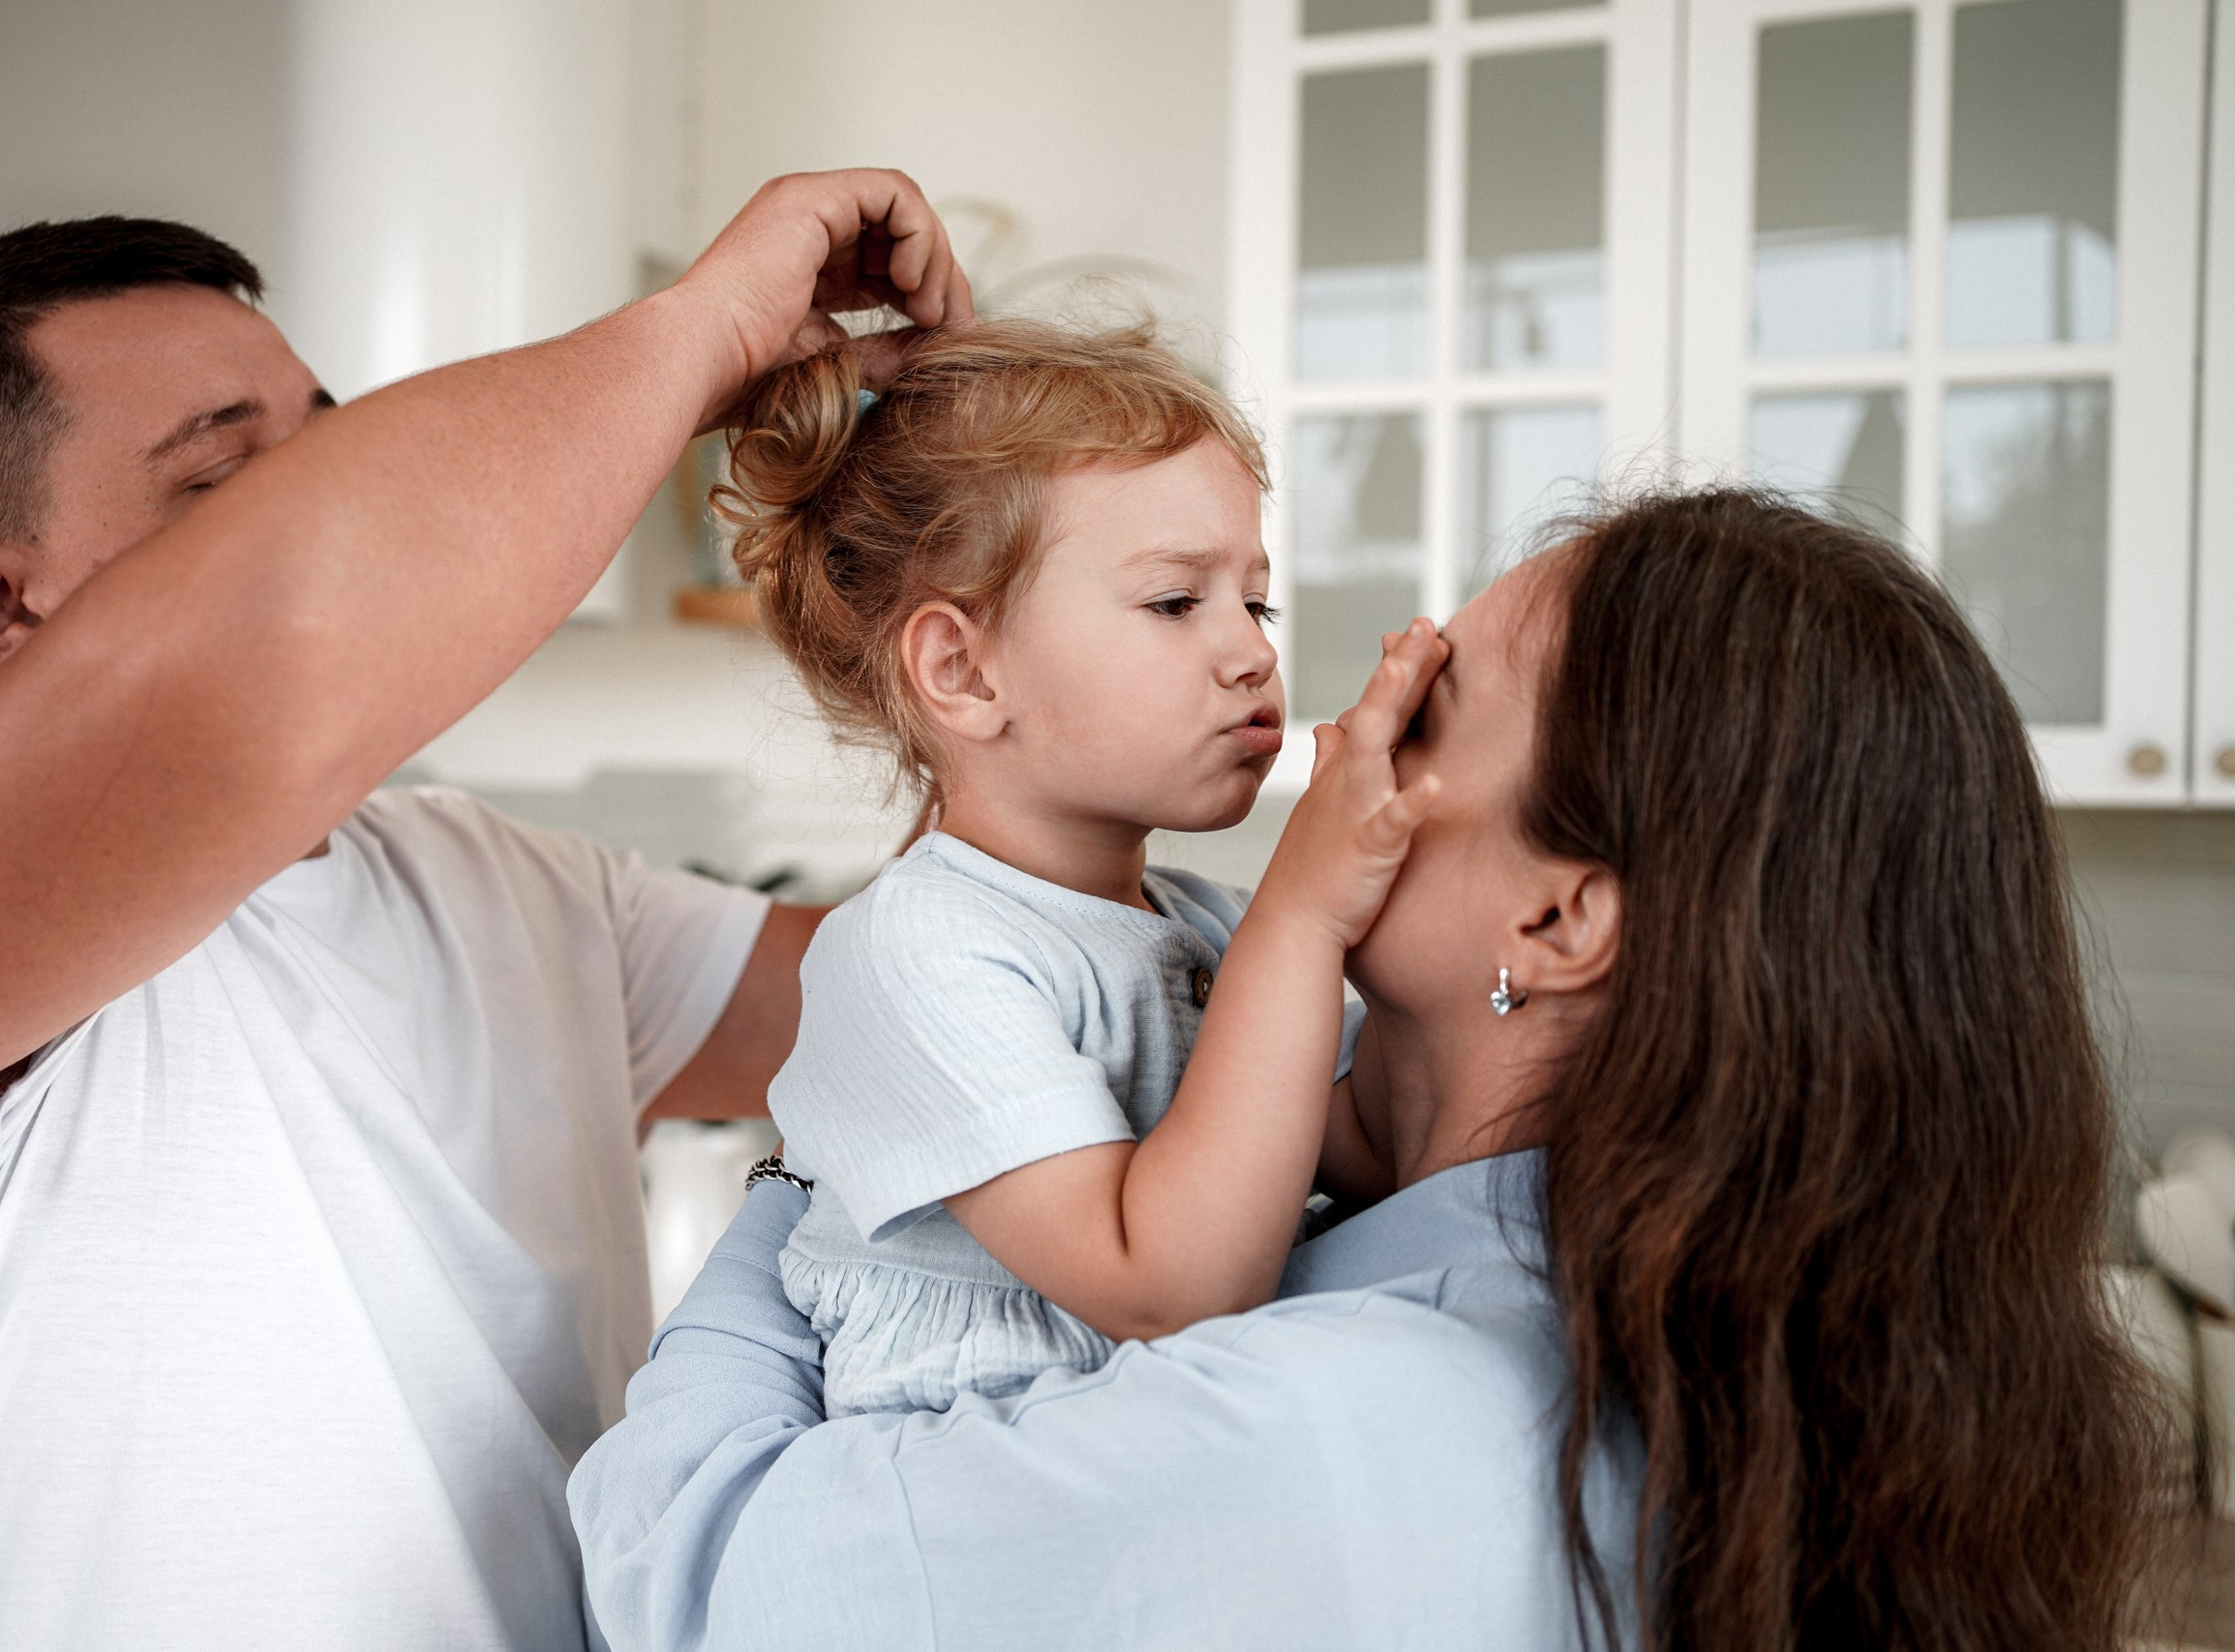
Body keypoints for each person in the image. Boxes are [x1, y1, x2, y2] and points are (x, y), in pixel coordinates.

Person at [574, 488, 2167, 1652]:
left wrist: (845, 1139)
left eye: (1423, 713)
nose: (1332, 731)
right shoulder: (1675, 1338)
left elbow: (683, 1569)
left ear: (1555, 917)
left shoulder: (1345, 1435)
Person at [0, 172, 971, 1651]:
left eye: (329, 447)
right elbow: (297, 630)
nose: (334, 501)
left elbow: (953, 1007)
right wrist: (704, 331)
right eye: (226, 487)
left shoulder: (520, 886)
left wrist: (977, 582)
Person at [703, 317, 1438, 1420]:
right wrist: (1303, 918)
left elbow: (1378, 1148)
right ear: (961, 670)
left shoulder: (1204, 927)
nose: (1252, 650)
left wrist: (1406, 922)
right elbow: (1168, 1282)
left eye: (1256, 600)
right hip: (973, 1505)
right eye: (1175, 602)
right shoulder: (914, 951)